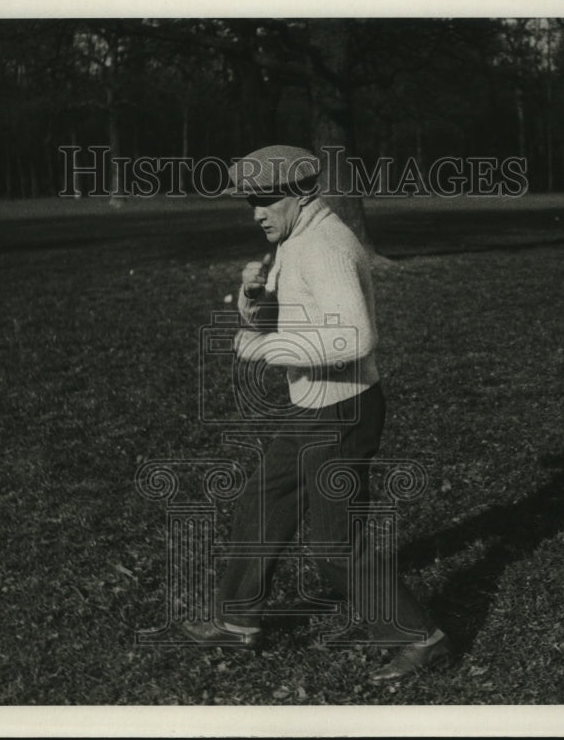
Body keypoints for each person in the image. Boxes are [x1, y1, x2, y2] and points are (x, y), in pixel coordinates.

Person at [182, 145, 449, 683]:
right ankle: (238, 623)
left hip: (344, 410)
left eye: (265, 200)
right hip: (314, 407)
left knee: (334, 542)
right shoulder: (295, 236)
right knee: (263, 503)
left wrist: (270, 350)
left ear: (302, 194)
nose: (256, 212)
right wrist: (250, 295)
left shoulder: (324, 245)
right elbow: (280, 316)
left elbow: (356, 335)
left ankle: (421, 639)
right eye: (250, 202)